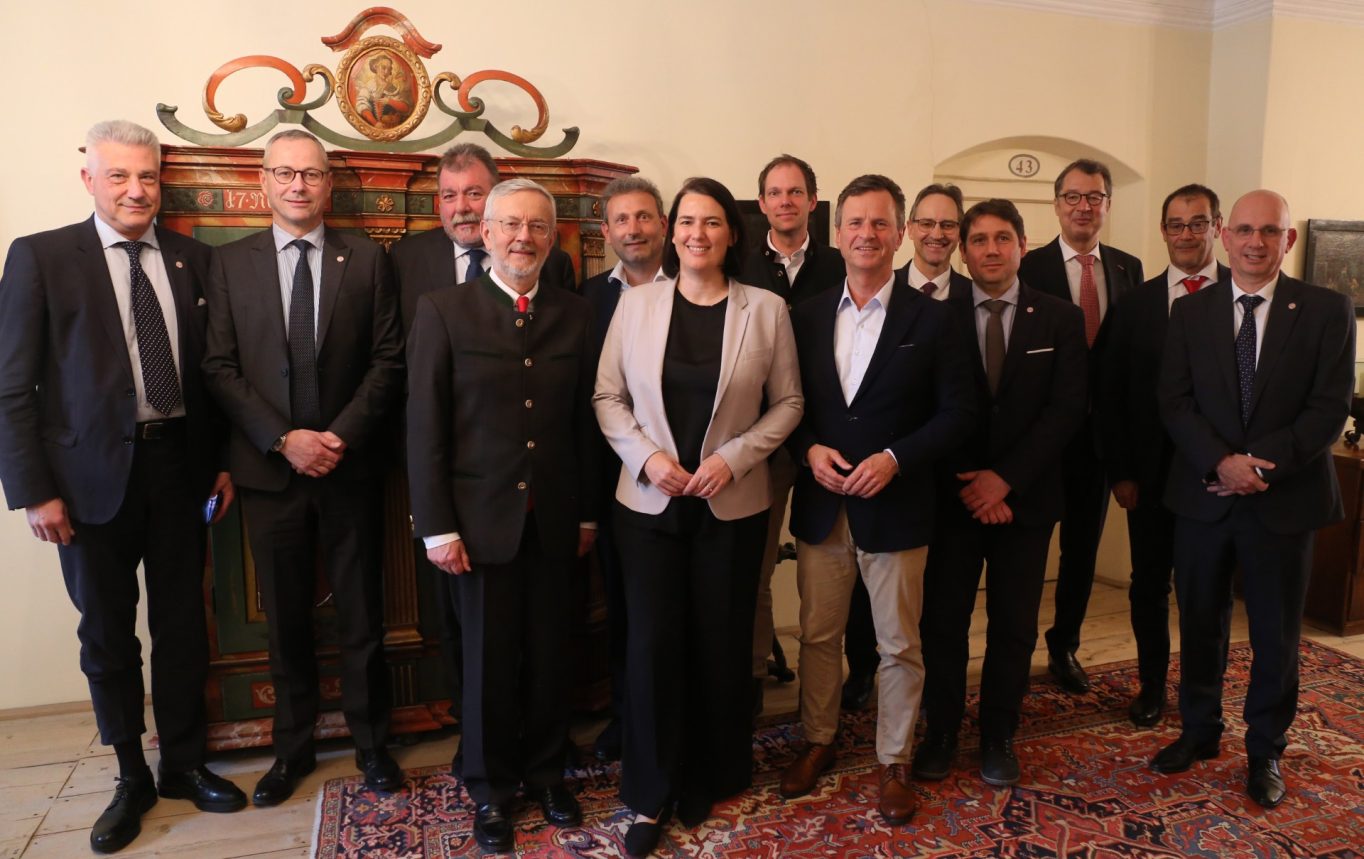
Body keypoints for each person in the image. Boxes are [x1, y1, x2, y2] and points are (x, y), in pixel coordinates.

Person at [0, 119, 247, 854]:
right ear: (89, 179)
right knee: (107, 633)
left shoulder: (196, 259)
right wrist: (33, 490)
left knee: (183, 626)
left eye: (147, 175)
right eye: (119, 176)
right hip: (85, 484)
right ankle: (130, 774)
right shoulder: (41, 257)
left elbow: (215, 375)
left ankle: (183, 763)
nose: (137, 190)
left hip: (181, 471)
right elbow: (11, 386)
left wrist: (222, 460)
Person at [594, 177, 802, 856]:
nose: (697, 233)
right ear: (670, 229)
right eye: (686, 221)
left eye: (711, 222)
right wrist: (648, 457)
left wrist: (734, 459)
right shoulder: (636, 305)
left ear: (731, 233)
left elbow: (789, 403)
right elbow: (607, 396)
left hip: (729, 504)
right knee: (653, 646)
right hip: (650, 503)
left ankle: (711, 774)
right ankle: (652, 787)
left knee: (720, 640)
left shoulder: (765, 309)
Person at [203, 129, 405, 807]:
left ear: (328, 184)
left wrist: (337, 437)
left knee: (362, 614)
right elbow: (219, 367)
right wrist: (283, 438)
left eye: (311, 174)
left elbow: (387, 360)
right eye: (285, 173)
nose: (298, 185)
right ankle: (292, 749)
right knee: (286, 621)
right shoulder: (229, 265)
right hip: (269, 473)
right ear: (263, 181)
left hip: (349, 468)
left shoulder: (368, 259)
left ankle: (372, 743)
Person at [407, 177, 599, 852]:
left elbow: (584, 426)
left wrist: (587, 516)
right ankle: (490, 789)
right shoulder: (443, 310)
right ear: (485, 233)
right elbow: (425, 427)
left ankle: (547, 774)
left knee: (550, 657)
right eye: (511, 224)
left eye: (538, 226)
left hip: (554, 522)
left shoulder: (577, 315)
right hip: (477, 526)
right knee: (487, 665)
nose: (524, 237)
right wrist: (437, 526)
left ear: (553, 238)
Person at [777, 175, 973, 825]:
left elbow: (960, 413)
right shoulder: (805, 316)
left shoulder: (935, 318)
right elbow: (786, 405)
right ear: (837, 234)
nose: (867, 233)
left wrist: (896, 458)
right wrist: (808, 449)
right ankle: (818, 739)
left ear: (900, 233)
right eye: (856, 222)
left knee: (898, 643)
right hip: (822, 505)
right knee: (818, 634)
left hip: (898, 506)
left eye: (880, 223)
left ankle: (893, 760)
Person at [1151, 190, 1354, 808]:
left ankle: (1265, 749)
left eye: (1269, 231)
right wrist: (1221, 462)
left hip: (1283, 500)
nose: (1255, 242)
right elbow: (1174, 401)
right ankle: (1199, 730)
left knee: (1276, 633)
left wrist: (1256, 466)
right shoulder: (1191, 311)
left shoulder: (1325, 310)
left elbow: (1329, 408)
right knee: (1200, 622)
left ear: (1287, 240)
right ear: (1223, 235)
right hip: (1204, 496)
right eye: (1243, 230)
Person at [915, 199, 1087, 787]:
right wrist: (972, 481)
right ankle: (940, 732)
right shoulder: (935, 316)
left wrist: (1005, 479)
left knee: (1014, 626)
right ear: (963, 251)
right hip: (954, 500)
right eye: (979, 240)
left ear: (1022, 245)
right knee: (943, 624)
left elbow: (1066, 410)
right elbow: (929, 407)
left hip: (1026, 500)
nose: (991, 249)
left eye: (1003, 238)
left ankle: (998, 735)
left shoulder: (1060, 317)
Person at [1101, 183, 1229, 728]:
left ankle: (1204, 694)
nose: (1186, 234)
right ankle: (1152, 686)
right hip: (1152, 476)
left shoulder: (1243, 296)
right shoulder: (1135, 306)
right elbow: (1110, 395)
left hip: (1220, 476)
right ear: (1163, 231)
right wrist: (1121, 472)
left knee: (1210, 591)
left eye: (1198, 223)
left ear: (1217, 227)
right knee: (1150, 585)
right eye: (1176, 224)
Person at [1018, 158, 1144, 695]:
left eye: (1094, 197)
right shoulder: (1030, 266)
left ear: (1108, 204)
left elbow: (1129, 359)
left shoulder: (1128, 268)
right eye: (1072, 196)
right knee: (1027, 551)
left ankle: (1063, 645)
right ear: (1056, 204)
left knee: (1081, 554)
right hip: (1039, 440)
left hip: (1098, 442)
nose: (1083, 207)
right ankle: (1015, 646)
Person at [739, 154, 846, 711]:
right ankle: (753, 677)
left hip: (832, 442)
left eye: (796, 191)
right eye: (775, 192)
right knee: (756, 571)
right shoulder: (738, 265)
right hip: (764, 442)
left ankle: (848, 678)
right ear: (762, 203)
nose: (785, 201)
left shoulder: (840, 263)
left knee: (835, 571)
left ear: (812, 201)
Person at [578, 175, 671, 762]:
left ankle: (674, 719)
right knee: (622, 607)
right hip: (612, 481)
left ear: (663, 224)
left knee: (674, 611)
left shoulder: (695, 283)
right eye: (621, 220)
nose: (633, 229)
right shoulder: (588, 298)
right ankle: (627, 717)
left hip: (683, 475)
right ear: (606, 231)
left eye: (643, 217)